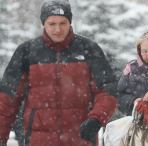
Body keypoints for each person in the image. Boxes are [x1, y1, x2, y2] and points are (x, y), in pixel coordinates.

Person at [0, 0, 118, 146]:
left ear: (70, 22)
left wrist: (97, 118)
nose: (58, 29)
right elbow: (7, 101)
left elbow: (108, 91)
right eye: (52, 23)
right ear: (44, 23)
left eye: (63, 23)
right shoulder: (26, 51)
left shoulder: (89, 49)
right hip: (39, 140)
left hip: (80, 139)